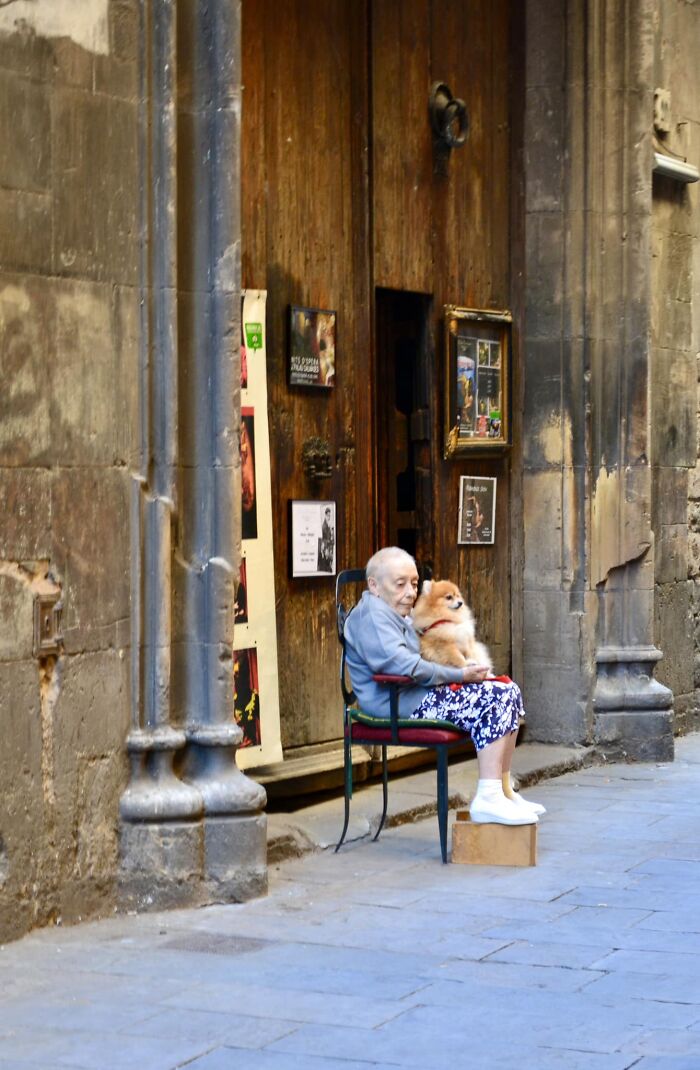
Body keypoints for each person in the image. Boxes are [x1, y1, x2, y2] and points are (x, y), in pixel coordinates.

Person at [343, 546, 545, 826]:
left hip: (415, 693)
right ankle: (488, 797)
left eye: (414, 584)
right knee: (494, 698)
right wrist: (460, 676)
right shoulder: (372, 616)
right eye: (400, 584)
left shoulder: (390, 611)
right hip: (396, 702)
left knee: (507, 690)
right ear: (374, 585)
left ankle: (502, 791)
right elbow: (403, 666)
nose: (410, 592)